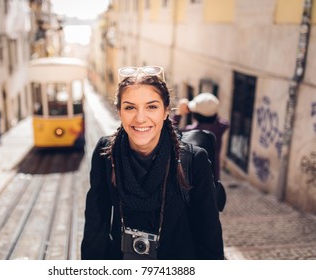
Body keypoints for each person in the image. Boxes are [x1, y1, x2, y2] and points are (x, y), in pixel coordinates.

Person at [81, 66, 224, 260]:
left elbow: (209, 237)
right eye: (130, 107)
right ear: (119, 111)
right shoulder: (105, 153)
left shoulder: (193, 160)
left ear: (166, 111)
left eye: (152, 106)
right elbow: (95, 227)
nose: (140, 118)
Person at [185, 92, 230, 180]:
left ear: (195, 114)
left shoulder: (190, 130)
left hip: (194, 178)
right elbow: (225, 122)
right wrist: (212, 112)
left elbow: (172, 129)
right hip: (214, 176)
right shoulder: (219, 128)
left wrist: (178, 114)